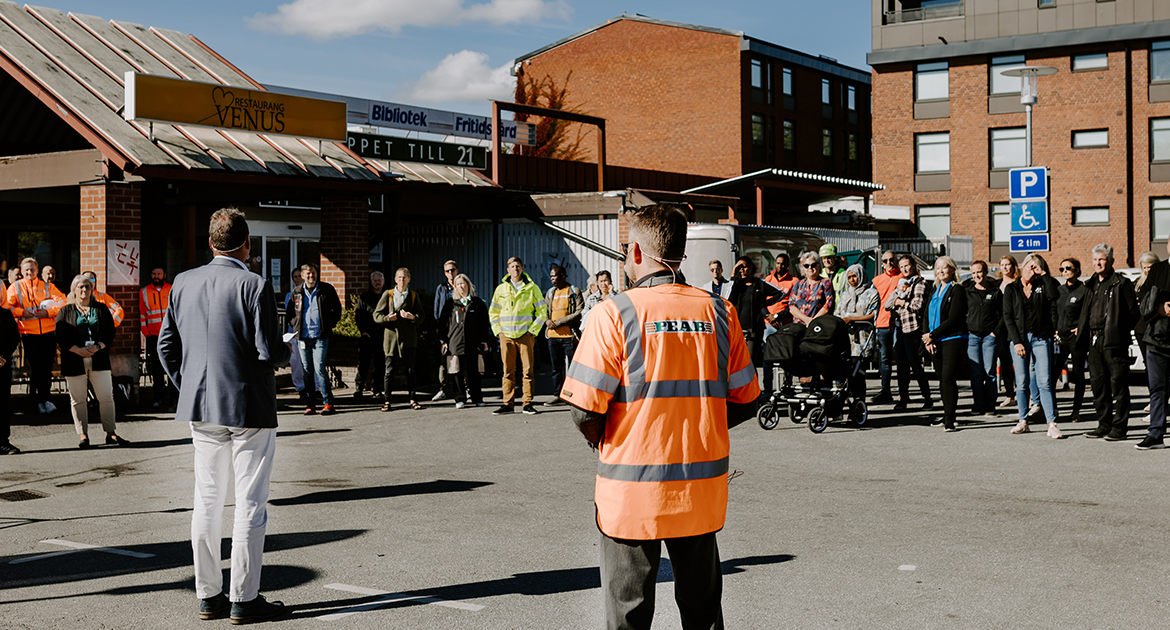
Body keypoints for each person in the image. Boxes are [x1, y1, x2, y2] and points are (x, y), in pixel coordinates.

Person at [560, 204, 760, 630]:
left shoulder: (614, 313)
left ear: (635, 252)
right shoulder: (720, 313)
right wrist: (703, 426)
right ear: (681, 254)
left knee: (629, 612)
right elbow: (746, 399)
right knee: (702, 611)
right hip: (698, 490)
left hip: (632, 491)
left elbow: (582, 409)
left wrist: (604, 437)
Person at [156, 208, 289, 624]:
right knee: (250, 502)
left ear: (211, 244)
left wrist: (190, 386)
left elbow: (165, 347)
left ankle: (209, 594)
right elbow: (268, 350)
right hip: (248, 405)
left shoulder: (182, 282)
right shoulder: (254, 284)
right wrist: (289, 346)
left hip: (201, 405)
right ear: (247, 246)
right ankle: (244, 599)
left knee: (207, 500)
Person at [56, 274, 127, 449]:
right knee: (78, 399)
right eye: (80, 286)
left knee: (106, 397)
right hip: (74, 359)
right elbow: (60, 335)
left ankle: (110, 433)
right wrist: (77, 350)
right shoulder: (65, 311)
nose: (84, 290)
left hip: (99, 358)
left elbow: (109, 332)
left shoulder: (101, 309)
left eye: (88, 286)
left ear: (92, 290)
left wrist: (98, 347)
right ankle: (83, 434)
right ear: (74, 289)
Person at [1078, 243, 1139, 441]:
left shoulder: (1122, 283)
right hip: (1093, 341)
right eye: (1095, 260)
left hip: (1114, 341)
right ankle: (1103, 424)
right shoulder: (1089, 284)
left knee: (1118, 385)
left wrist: (1118, 330)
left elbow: (1133, 314)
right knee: (1098, 385)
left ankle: (1119, 428)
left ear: (1111, 261)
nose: (1098, 263)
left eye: (1102, 259)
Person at [1003, 254, 1065, 438]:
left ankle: (1052, 423)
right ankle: (1023, 420)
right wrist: (1017, 341)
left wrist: (1043, 274)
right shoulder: (1012, 289)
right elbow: (1008, 316)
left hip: (1041, 338)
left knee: (1044, 381)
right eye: (1029, 266)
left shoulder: (1044, 285)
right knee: (1022, 382)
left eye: (1036, 267)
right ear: (1022, 267)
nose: (1032, 270)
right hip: (1020, 339)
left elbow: (1055, 295)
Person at [5, 257, 66, 414]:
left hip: (48, 332)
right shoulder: (15, 287)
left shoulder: (47, 286)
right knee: (36, 368)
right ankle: (40, 400)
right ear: (22, 271)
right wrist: (21, 312)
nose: (29, 272)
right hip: (28, 334)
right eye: (26, 270)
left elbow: (63, 303)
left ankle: (45, 399)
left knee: (46, 367)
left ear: (37, 270)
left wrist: (48, 312)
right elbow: (7, 307)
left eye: (32, 269)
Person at [488, 257, 545, 416]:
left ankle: (527, 403)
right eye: (512, 267)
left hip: (525, 335)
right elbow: (493, 312)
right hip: (506, 335)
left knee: (528, 371)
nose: (516, 269)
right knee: (508, 371)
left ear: (523, 268)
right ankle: (508, 404)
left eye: (518, 266)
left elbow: (542, 312)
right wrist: (498, 331)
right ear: (508, 270)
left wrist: (533, 331)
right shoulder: (501, 289)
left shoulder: (532, 288)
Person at [288, 263, 341, 416]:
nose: (311, 276)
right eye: (308, 274)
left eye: (313, 273)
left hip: (320, 337)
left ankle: (328, 403)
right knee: (307, 371)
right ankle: (310, 404)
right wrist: (295, 326)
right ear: (302, 276)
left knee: (319, 368)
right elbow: (290, 312)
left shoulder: (326, 289)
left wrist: (329, 325)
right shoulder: (296, 292)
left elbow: (336, 309)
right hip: (303, 337)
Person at [922, 256, 967, 432]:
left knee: (948, 378)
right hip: (934, 341)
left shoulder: (957, 290)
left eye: (945, 268)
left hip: (952, 339)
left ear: (953, 270)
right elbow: (926, 314)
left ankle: (950, 419)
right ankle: (947, 413)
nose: (941, 271)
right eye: (938, 268)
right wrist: (927, 337)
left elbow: (954, 318)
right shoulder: (935, 290)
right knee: (942, 380)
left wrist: (932, 335)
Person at [886, 255, 933, 411]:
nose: (905, 269)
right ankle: (903, 398)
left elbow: (917, 306)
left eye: (907, 265)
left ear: (913, 265)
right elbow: (888, 304)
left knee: (915, 365)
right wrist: (897, 295)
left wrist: (900, 302)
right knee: (901, 366)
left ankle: (927, 398)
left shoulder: (920, 283)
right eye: (902, 266)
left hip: (913, 329)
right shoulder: (901, 284)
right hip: (900, 329)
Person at [375, 267, 426, 412]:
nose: (402, 280)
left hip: (409, 339)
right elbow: (376, 315)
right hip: (391, 339)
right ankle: (387, 401)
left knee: (410, 370)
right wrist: (387, 318)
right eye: (399, 278)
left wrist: (412, 317)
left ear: (409, 279)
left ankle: (413, 399)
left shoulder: (413, 295)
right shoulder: (388, 294)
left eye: (404, 278)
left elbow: (421, 316)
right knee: (389, 371)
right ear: (395, 279)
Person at [438, 273, 491, 409]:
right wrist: (443, 341)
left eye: (463, 283)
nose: (461, 286)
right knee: (457, 372)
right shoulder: (450, 303)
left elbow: (484, 323)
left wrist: (484, 341)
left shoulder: (477, 302)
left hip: (473, 343)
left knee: (474, 372)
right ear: (454, 287)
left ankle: (477, 398)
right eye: (458, 284)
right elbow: (443, 323)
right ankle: (459, 398)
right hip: (455, 343)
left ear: (468, 284)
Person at [729, 256, 782, 386]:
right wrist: (733, 274)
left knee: (750, 361)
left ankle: (754, 391)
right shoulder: (737, 285)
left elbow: (780, 293)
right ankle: (741, 390)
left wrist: (764, 303)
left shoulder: (759, 284)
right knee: (737, 362)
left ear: (751, 267)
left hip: (754, 328)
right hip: (738, 328)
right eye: (739, 268)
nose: (742, 270)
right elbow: (727, 300)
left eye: (744, 267)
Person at [963, 261, 1002, 416]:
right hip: (972, 336)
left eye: (979, 272)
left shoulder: (996, 292)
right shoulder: (968, 292)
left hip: (989, 337)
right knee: (976, 372)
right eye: (973, 273)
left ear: (985, 272)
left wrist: (995, 333)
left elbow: (1003, 315)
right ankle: (978, 404)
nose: (976, 276)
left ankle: (990, 405)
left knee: (989, 371)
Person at [544, 264, 583, 407]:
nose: (553, 279)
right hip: (553, 336)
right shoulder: (550, 292)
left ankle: (574, 395)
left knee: (573, 367)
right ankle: (558, 395)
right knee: (556, 368)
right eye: (551, 276)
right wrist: (547, 321)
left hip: (569, 336)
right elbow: (545, 311)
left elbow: (579, 311)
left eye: (555, 276)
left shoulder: (573, 291)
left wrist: (560, 321)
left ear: (563, 276)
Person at [1055, 258, 1088, 422]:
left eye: (1068, 268)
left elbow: (1089, 312)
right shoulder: (1059, 290)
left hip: (1076, 338)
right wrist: (1054, 329)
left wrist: (1081, 327)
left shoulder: (1084, 290)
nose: (1064, 271)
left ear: (1077, 270)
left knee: (1078, 374)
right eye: (1062, 269)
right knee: (1053, 373)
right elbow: (1053, 311)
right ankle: (1052, 409)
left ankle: (1076, 409)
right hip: (1059, 338)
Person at [1139, 286, 1170, 449]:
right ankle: (1155, 434)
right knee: (1157, 390)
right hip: (1156, 345)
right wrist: (1160, 307)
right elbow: (1144, 312)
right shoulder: (1158, 274)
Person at [761, 253, 798, 391]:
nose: (779, 266)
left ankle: (787, 385)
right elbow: (761, 303)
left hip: (786, 324)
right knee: (767, 357)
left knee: (787, 356)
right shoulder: (768, 279)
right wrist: (770, 317)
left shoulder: (794, 281)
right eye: (777, 263)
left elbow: (793, 305)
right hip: (768, 324)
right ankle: (767, 388)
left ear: (787, 265)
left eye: (782, 264)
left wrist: (777, 316)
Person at [141, 267, 176, 408]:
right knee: (156, 370)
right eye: (154, 273)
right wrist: (146, 333)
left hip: (171, 336)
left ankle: (174, 400)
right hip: (153, 337)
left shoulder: (172, 289)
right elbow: (142, 315)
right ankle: (158, 399)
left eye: (159, 274)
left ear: (164, 275)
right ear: (151, 275)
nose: (156, 276)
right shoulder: (144, 291)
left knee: (172, 369)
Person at [871, 250, 901, 404]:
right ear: (881, 263)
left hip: (899, 324)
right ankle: (885, 391)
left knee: (902, 359)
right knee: (885, 360)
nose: (889, 264)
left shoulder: (903, 277)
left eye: (891, 260)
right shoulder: (877, 280)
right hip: (882, 323)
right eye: (885, 261)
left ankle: (903, 394)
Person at [353, 271, 386, 399]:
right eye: (375, 281)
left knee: (380, 363)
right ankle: (359, 388)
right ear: (371, 282)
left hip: (382, 335)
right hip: (367, 335)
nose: (377, 283)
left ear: (383, 281)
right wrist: (362, 331)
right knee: (363, 363)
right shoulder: (365, 297)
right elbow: (359, 315)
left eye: (379, 280)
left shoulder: (388, 296)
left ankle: (377, 389)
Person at [283, 268, 313, 404]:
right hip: (294, 332)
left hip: (308, 332)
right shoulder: (290, 294)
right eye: (294, 277)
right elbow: (289, 313)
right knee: (296, 362)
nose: (297, 279)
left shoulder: (309, 293)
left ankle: (314, 387)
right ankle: (301, 388)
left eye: (299, 276)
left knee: (310, 361)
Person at [836, 263, 879, 357]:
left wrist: (851, 319)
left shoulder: (871, 293)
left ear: (861, 275)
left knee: (861, 364)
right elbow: (837, 314)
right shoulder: (845, 295)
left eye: (854, 276)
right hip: (847, 336)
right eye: (849, 277)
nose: (852, 280)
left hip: (863, 336)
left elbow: (873, 315)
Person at [431, 260, 459, 402]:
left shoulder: (461, 285)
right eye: (447, 271)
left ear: (457, 270)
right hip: (445, 328)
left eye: (452, 270)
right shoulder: (441, 288)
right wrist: (439, 328)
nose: (450, 273)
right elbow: (436, 310)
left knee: (459, 359)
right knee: (443, 360)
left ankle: (462, 389)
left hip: (459, 329)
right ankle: (442, 389)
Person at [996, 256, 1021, 408]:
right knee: (1005, 362)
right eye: (1002, 265)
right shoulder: (997, 285)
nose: (1005, 268)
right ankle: (1009, 395)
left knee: (1020, 363)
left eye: (1008, 265)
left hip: (1016, 327)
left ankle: (1025, 394)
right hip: (1001, 328)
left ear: (1014, 266)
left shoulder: (1018, 284)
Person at [0, 305, 20, 454]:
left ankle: (2, 442)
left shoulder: (5, 314)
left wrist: (4, 356)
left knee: (2, 405)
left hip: (2, 366)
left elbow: (14, 338)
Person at [1134, 251, 1160, 362]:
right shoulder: (1137, 284)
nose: (1147, 270)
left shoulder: (1163, 281)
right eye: (1144, 267)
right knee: (1147, 363)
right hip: (1141, 328)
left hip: (1158, 328)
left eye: (1150, 267)